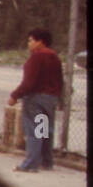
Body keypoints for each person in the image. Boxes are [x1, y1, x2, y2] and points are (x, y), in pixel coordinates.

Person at [8, 27, 63, 173]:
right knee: (44, 130)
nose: (29, 44)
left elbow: (28, 82)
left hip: (36, 98)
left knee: (33, 130)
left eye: (31, 40)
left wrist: (15, 95)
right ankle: (46, 161)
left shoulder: (36, 57)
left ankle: (31, 163)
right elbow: (60, 81)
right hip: (51, 98)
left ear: (40, 42)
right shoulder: (54, 57)